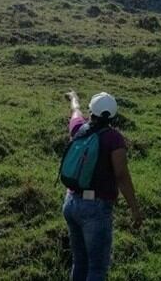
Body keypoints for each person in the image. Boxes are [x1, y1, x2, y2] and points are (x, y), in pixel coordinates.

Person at [62, 90, 143, 281]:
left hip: (71, 203)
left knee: (79, 262)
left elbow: (75, 111)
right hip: (95, 210)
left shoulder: (79, 128)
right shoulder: (114, 139)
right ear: (113, 116)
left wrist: (73, 97)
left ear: (92, 112)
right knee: (97, 268)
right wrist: (134, 209)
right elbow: (121, 176)